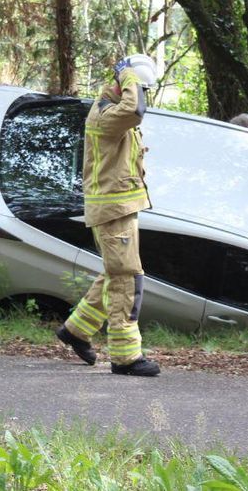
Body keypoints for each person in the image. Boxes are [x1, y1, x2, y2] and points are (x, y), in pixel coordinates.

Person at [55, 53, 161, 377]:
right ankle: (126, 357)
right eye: (140, 88)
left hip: (121, 208)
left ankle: (76, 330)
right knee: (127, 278)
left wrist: (128, 78)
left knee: (116, 274)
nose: (143, 96)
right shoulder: (106, 115)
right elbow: (135, 109)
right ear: (124, 85)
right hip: (113, 210)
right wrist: (128, 74)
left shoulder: (110, 110)